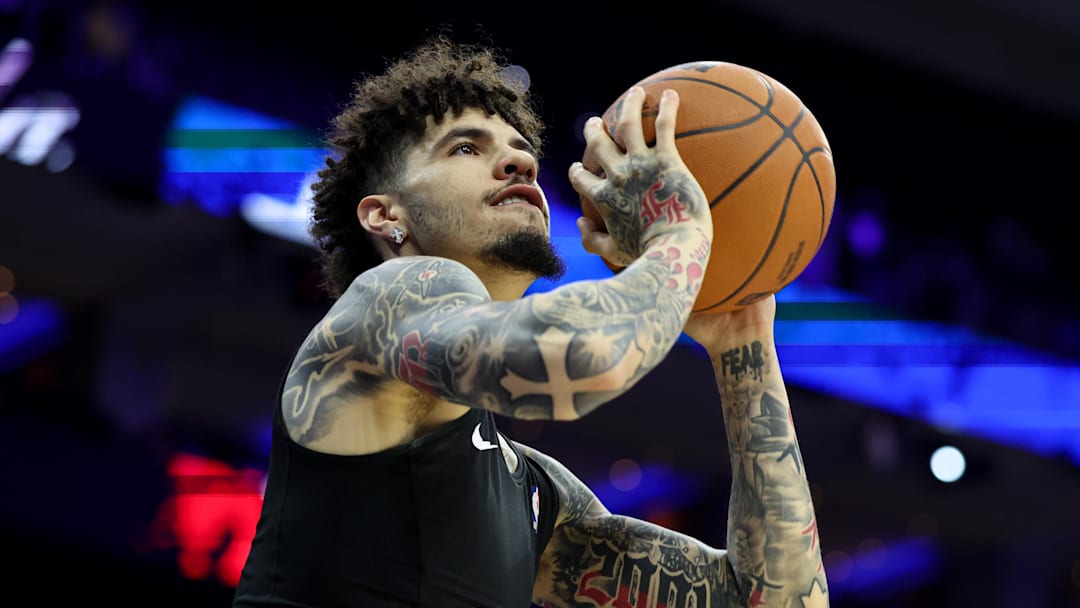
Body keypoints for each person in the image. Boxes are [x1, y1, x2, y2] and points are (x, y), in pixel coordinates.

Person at [232, 33, 828, 608]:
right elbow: (580, 359)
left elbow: (774, 601)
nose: (518, 159)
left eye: (520, 148)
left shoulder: (533, 493)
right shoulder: (382, 303)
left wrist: (742, 343)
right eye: (467, 147)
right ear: (387, 216)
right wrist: (679, 234)